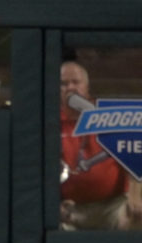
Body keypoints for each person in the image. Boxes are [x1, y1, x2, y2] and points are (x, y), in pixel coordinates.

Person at [59, 60, 142, 230]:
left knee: (137, 217)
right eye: (64, 83)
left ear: (86, 87)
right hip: (71, 209)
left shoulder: (106, 116)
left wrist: (136, 195)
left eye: (76, 82)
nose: (70, 88)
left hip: (114, 205)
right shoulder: (50, 121)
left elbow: (133, 152)